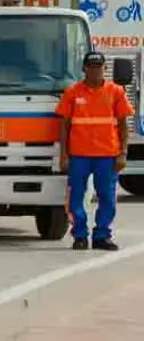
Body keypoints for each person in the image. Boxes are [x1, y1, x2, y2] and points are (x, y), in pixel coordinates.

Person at [56, 50, 132, 251]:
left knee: (107, 197)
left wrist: (123, 153)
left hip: (107, 156)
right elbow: (64, 126)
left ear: (104, 69)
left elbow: (124, 125)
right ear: (84, 69)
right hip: (79, 156)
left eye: (99, 68)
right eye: (91, 68)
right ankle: (79, 235)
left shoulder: (116, 92)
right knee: (75, 198)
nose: (95, 72)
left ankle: (102, 236)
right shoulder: (72, 92)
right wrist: (64, 155)